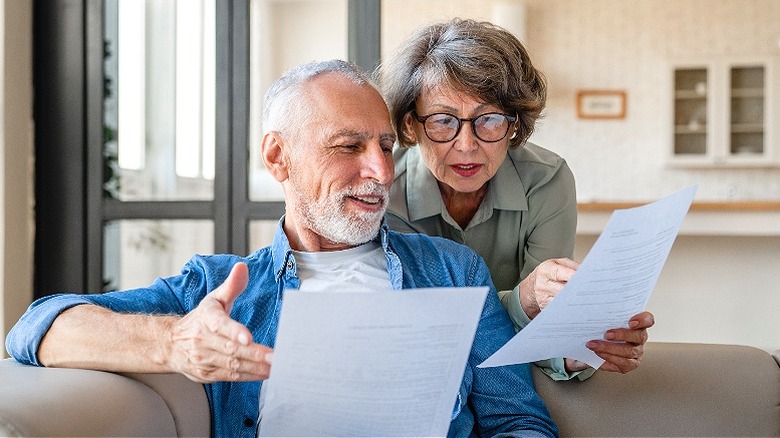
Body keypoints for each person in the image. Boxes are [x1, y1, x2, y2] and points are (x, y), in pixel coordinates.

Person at [6, 60, 558, 437]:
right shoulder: (220, 289)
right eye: (349, 147)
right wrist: (174, 341)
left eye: (386, 146)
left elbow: (517, 420)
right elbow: (35, 328)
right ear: (278, 158)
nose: (381, 171)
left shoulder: (454, 271)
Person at [378, 18, 653, 380]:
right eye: (443, 121)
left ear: (514, 125)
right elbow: (419, 330)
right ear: (411, 125)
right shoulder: (383, 190)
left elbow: (548, 328)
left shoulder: (547, 180)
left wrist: (577, 351)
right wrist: (522, 301)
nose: (466, 145)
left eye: (489, 120)